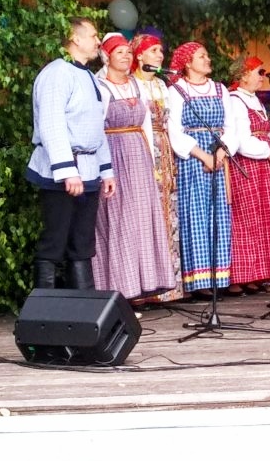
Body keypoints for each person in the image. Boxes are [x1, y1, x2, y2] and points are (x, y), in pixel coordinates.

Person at [25, 17, 115, 290]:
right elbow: (51, 123)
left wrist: (106, 170)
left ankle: (85, 304)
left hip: (89, 169)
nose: (98, 41)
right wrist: (67, 171)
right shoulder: (57, 73)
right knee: (55, 240)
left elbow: (96, 127)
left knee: (83, 242)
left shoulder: (88, 76)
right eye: (93, 36)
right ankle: (44, 306)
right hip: (63, 171)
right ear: (75, 39)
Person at [91, 33, 175, 301]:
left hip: (138, 155)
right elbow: (96, 128)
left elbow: (146, 126)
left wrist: (151, 161)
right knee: (119, 221)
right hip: (113, 154)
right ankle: (120, 289)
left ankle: (144, 285)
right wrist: (103, 167)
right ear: (107, 57)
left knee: (141, 219)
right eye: (120, 52)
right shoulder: (100, 87)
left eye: (128, 52)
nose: (126, 56)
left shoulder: (136, 85)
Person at [166, 41, 238, 299]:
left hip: (218, 156)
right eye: (201, 56)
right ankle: (198, 280)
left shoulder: (220, 89)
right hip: (193, 160)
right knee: (195, 215)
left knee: (219, 215)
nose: (208, 60)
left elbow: (231, 126)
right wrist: (203, 155)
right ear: (187, 63)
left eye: (207, 55)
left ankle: (219, 276)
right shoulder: (177, 90)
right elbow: (174, 130)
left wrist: (221, 151)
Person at [226, 56, 270, 294]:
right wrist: (268, 153)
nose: (263, 76)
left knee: (263, 219)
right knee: (245, 220)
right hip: (247, 164)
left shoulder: (255, 100)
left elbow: (264, 133)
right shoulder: (235, 100)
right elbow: (242, 141)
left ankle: (259, 274)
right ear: (243, 75)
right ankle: (240, 276)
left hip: (263, 166)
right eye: (259, 72)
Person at [131, 33, 185, 303]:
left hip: (164, 150)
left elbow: (172, 124)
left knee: (167, 213)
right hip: (142, 149)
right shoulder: (132, 84)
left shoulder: (163, 85)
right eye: (153, 50)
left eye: (161, 51)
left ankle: (166, 287)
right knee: (143, 216)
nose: (159, 55)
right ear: (139, 54)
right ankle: (142, 287)